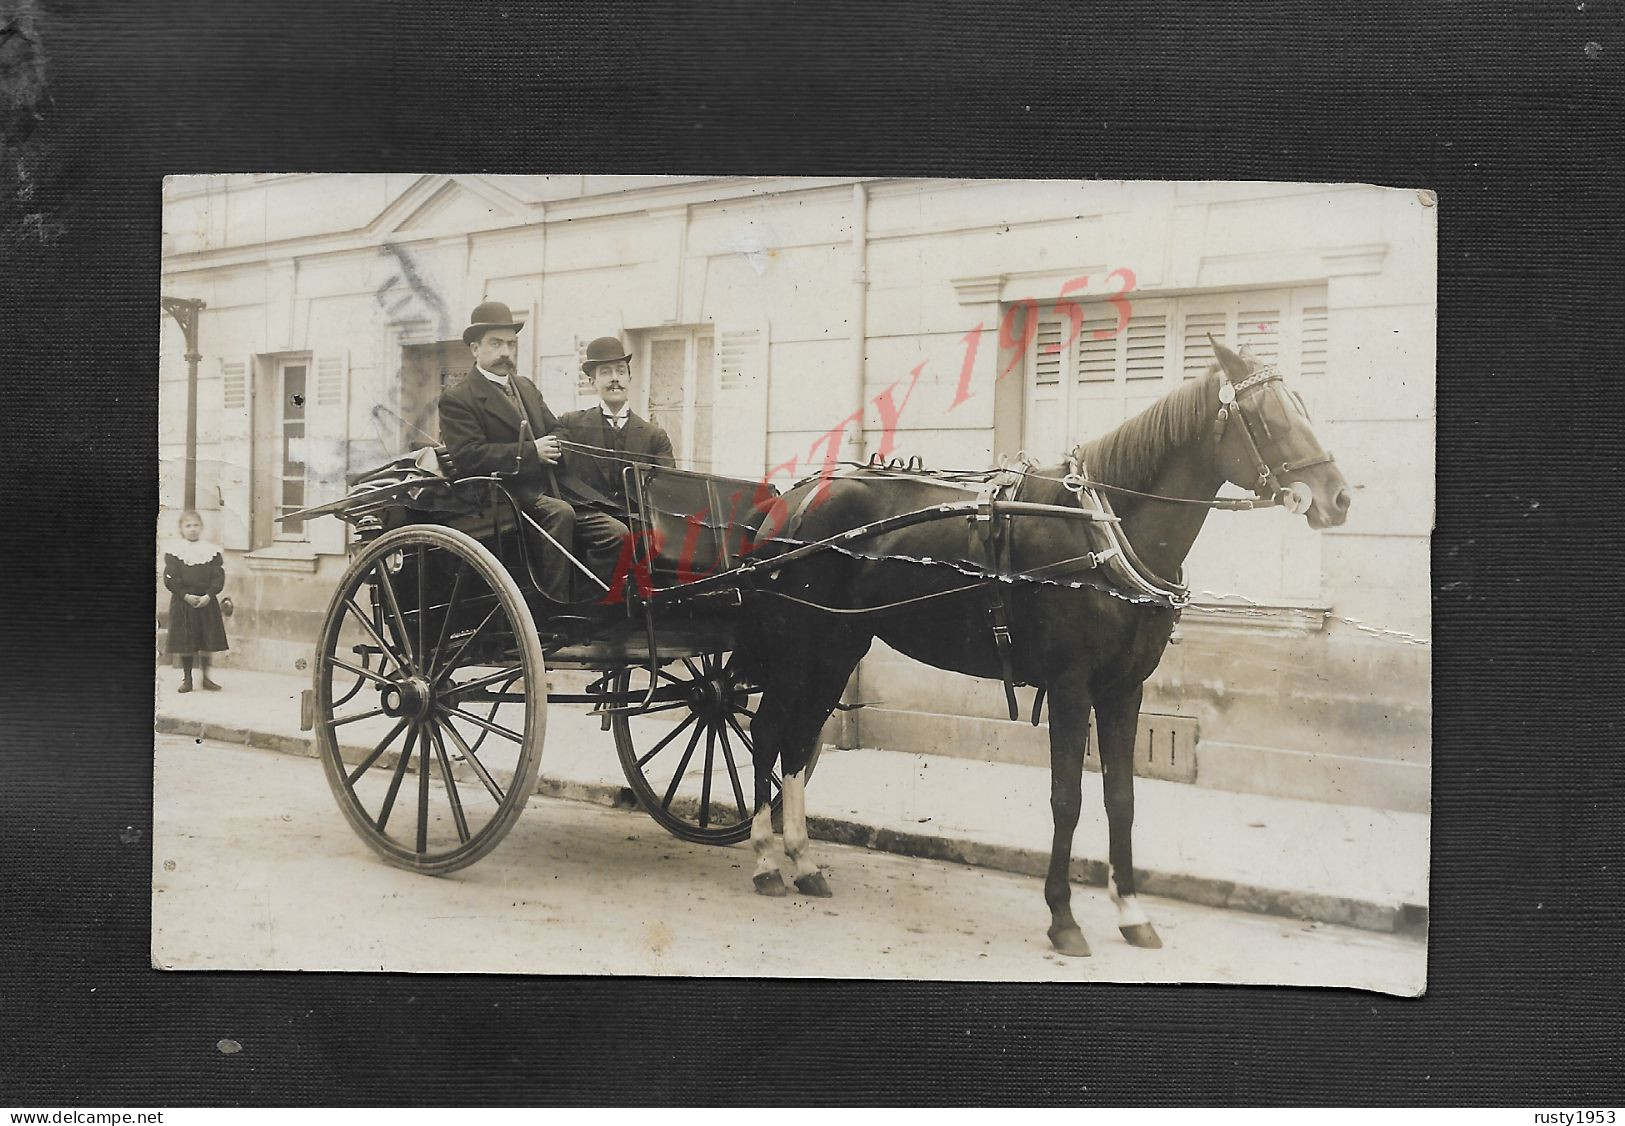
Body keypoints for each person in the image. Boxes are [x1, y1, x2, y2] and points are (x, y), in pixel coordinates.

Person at [437, 301, 629, 604]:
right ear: (475, 348)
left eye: (511, 344)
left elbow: (558, 429)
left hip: (551, 490)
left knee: (616, 532)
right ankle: (552, 610)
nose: (505, 352)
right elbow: (468, 456)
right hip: (501, 499)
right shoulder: (458, 398)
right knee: (560, 514)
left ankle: (591, 612)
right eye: (496, 344)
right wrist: (530, 453)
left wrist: (553, 445)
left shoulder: (525, 387)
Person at [556, 335, 676, 511]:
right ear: (592, 382)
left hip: (637, 526)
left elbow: (668, 489)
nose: (615, 379)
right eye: (605, 372)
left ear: (629, 378)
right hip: (588, 524)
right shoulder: (570, 424)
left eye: (620, 371)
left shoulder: (655, 437)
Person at [163, 509, 229, 692]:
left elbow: (218, 577)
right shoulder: (174, 552)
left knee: (206, 640)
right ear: (181, 529)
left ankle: (206, 678)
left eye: (196, 525)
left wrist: (209, 595)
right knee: (186, 642)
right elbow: (170, 578)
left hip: (206, 601)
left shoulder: (211, 551)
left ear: (201, 528)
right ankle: (187, 679)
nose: (192, 529)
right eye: (188, 526)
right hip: (184, 602)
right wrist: (185, 596)